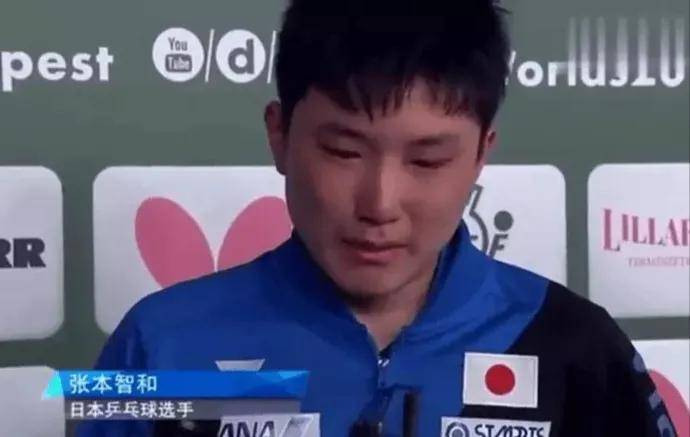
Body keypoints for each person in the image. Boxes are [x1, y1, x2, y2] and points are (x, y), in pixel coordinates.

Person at [79, 0, 677, 435]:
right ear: (279, 136)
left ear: (480, 156)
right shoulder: (159, 343)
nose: (380, 204)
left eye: (427, 160)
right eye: (344, 152)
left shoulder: (575, 347)